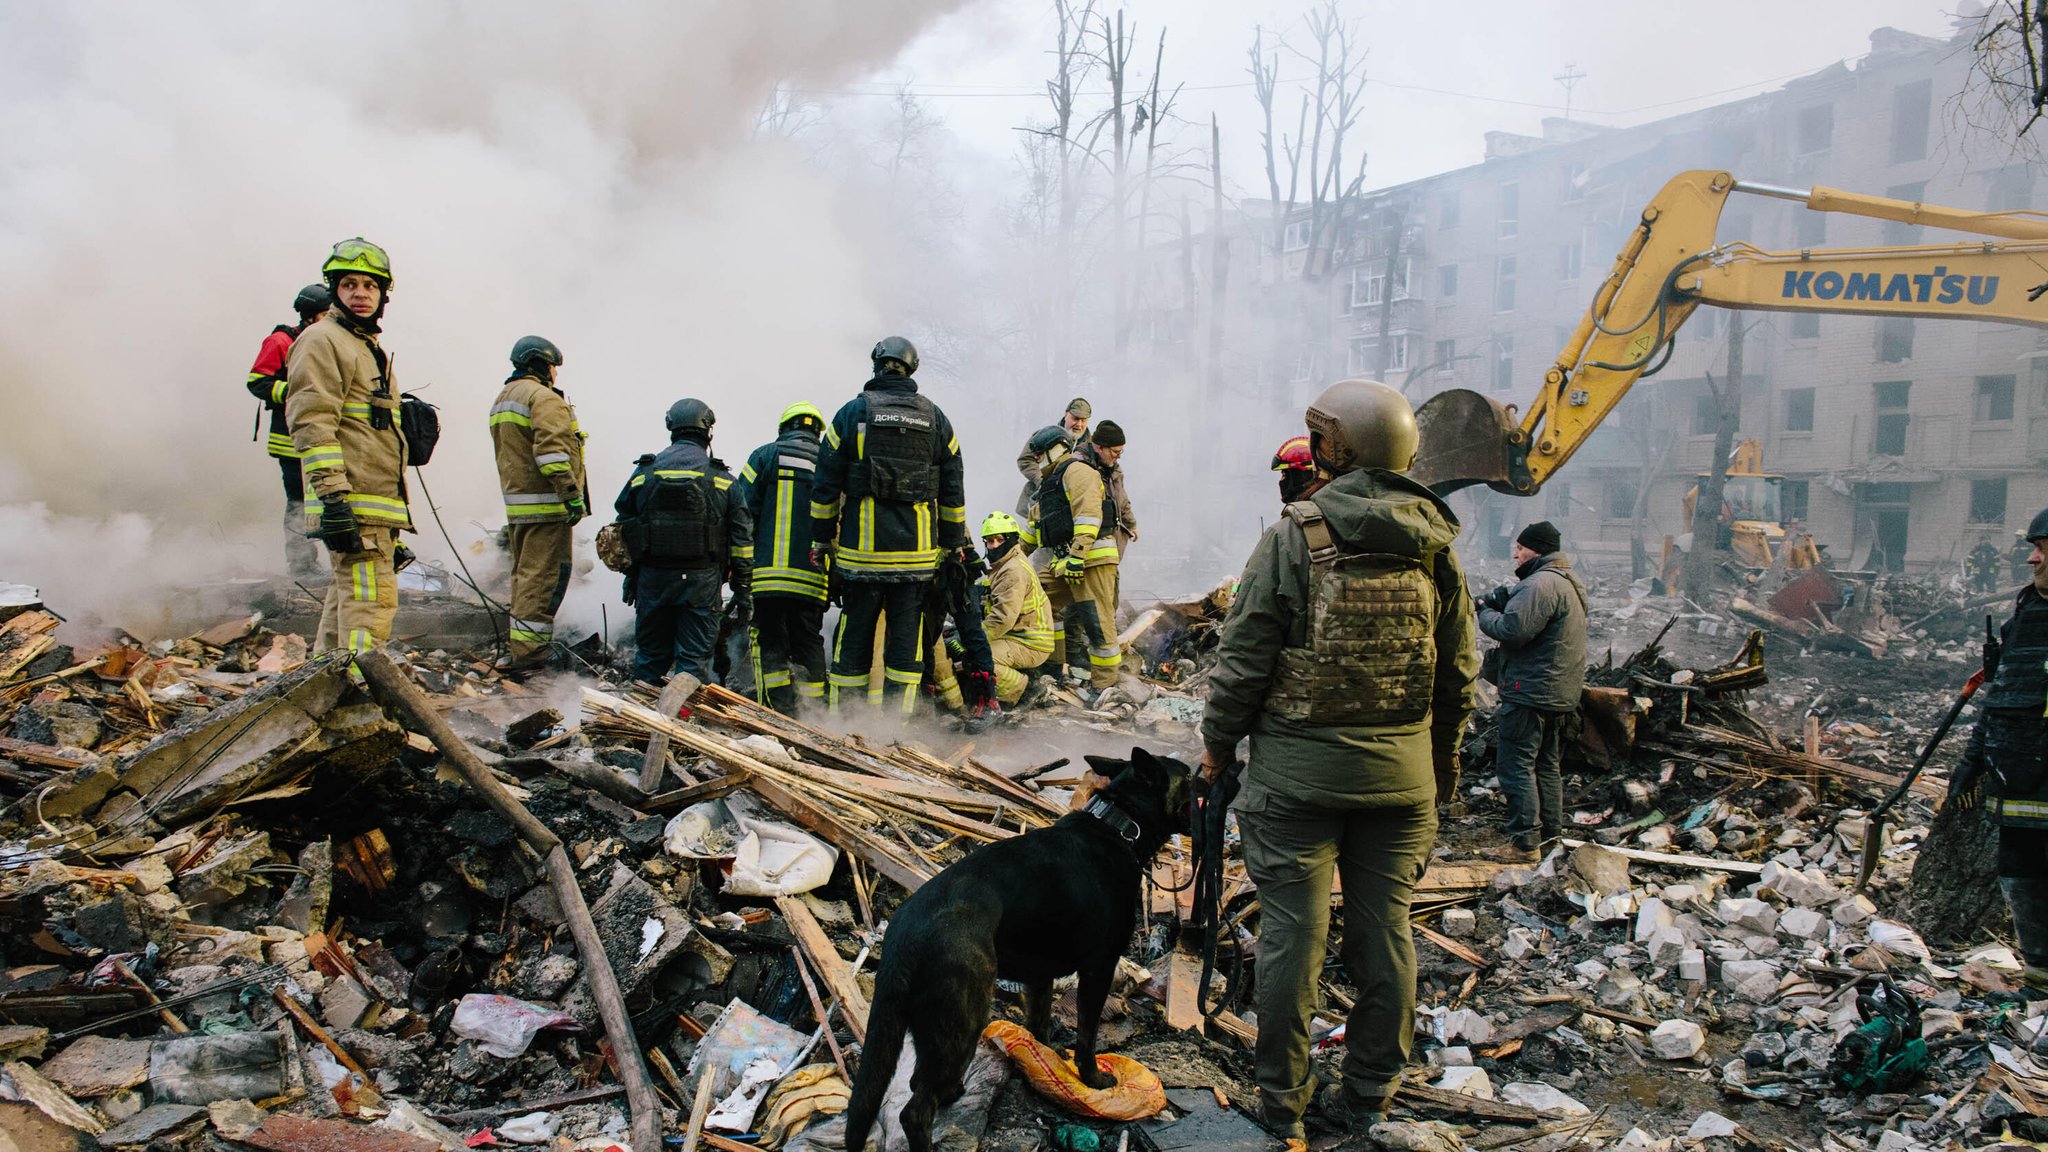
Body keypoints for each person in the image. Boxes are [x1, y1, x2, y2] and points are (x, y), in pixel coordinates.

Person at [1199, 379, 1478, 1143]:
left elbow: (1244, 659)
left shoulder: (1298, 534)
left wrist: (1217, 748)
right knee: (1386, 931)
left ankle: (1282, 1107)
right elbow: (1457, 675)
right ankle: (1368, 1097)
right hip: (1403, 783)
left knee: (1294, 934)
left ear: (1334, 447)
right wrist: (1439, 769)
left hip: (1296, 783)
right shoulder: (1436, 542)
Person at [808, 337, 969, 716]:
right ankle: (899, 727)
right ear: (911, 369)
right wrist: (950, 545)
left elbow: (825, 484)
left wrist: (821, 538)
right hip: (915, 561)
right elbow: (952, 488)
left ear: (877, 366)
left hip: (862, 558)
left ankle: (844, 722)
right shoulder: (936, 419)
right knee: (906, 643)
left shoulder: (852, 414)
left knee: (854, 640)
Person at [286, 238, 411, 655]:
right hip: (352, 501)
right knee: (370, 609)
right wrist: (335, 499)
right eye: (350, 284)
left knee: (346, 604)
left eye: (370, 286)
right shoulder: (323, 339)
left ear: (382, 295)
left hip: (371, 504)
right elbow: (312, 421)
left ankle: (322, 692)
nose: (361, 293)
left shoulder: (360, 344)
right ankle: (355, 704)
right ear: (335, 290)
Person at [1954, 508, 2048, 986]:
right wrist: (1972, 762)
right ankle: (2039, 984)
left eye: (2044, 549)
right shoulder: (2027, 613)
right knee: (2021, 872)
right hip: (2019, 774)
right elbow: (2002, 694)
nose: (2032, 559)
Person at [615, 399, 753, 685]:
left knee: (651, 658)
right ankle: (682, 720)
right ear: (708, 431)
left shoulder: (643, 474)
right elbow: (742, 541)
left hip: (653, 581)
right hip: (701, 584)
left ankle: (639, 719)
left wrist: (631, 577)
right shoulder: (723, 479)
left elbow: (622, 531)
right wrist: (742, 589)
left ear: (671, 427)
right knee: (693, 663)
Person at [1476, 520, 1589, 863]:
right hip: (1558, 692)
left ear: (1536, 550)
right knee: (1546, 765)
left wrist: (1485, 610)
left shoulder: (1539, 584)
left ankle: (1524, 844)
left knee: (1516, 766)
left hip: (1529, 692)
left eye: (1520, 548)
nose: (1515, 553)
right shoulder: (1569, 582)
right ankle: (1551, 839)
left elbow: (1513, 630)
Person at [488, 336, 587, 677]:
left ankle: (522, 649)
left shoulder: (504, 398)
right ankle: (531, 657)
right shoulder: (543, 398)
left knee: (524, 577)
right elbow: (553, 455)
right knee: (543, 581)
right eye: (554, 367)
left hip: (519, 505)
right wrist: (571, 494)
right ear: (542, 364)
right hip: (547, 507)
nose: (556, 374)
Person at [735, 402, 831, 714]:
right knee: (808, 643)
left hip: (767, 578)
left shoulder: (764, 456)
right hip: (813, 580)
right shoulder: (830, 464)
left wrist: (737, 565)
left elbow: (741, 511)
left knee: (769, 641)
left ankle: (776, 712)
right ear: (817, 431)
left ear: (784, 427)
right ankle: (814, 713)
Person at [1022, 426, 1123, 698]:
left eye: (1040, 453)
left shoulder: (1078, 472)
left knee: (1097, 621)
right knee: (1041, 602)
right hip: (1066, 560)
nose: (1037, 459)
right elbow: (1033, 531)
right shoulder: (1050, 483)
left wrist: (1077, 557)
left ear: (1057, 449)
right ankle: (1052, 666)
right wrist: (1008, 562)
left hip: (1093, 559)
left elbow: (1088, 516)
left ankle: (1104, 688)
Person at [246, 283, 331, 581]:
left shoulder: (324, 342)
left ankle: (327, 561)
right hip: (290, 439)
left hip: (323, 439)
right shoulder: (281, 341)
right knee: (299, 503)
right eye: (326, 313)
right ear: (312, 315)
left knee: (327, 500)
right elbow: (257, 381)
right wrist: (296, 393)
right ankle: (302, 565)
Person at [974, 511, 1055, 706]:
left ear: (1010, 540)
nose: (993, 546)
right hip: (1020, 634)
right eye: (989, 541)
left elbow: (1002, 619)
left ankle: (1026, 689)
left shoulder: (1013, 571)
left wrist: (974, 639)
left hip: (1030, 642)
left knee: (979, 659)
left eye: (998, 540)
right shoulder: (1009, 561)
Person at [1014, 397, 1092, 516]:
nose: (1079, 424)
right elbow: (1025, 460)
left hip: (1074, 506)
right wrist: (1041, 480)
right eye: (1075, 419)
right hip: (1037, 501)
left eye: (1083, 420)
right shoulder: (1045, 436)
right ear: (1066, 414)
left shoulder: (1092, 446)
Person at [1271, 434, 1321, 506]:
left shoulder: (1299, 512)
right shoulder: (1327, 501)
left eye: (1284, 475)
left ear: (1301, 475)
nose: (1281, 482)